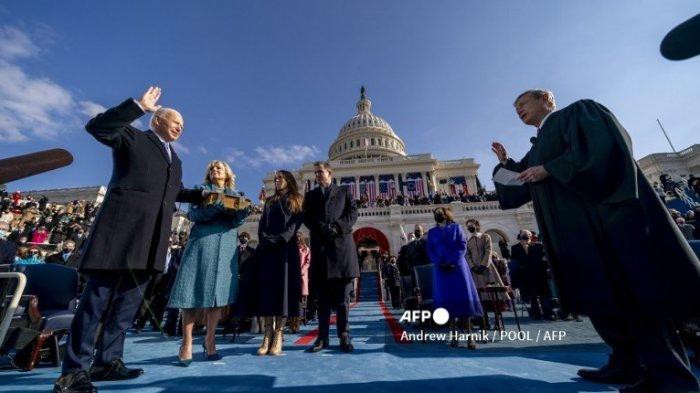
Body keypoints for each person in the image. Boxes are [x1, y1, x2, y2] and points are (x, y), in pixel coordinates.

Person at [491, 89, 700, 392]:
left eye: (523, 102)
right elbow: (518, 186)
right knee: (602, 299)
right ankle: (626, 362)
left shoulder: (579, 113)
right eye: (515, 107)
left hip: (607, 225)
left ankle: (671, 377)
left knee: (635, 297)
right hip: (574, 236)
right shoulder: (535, 149)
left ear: (546, 99)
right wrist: (506, 163)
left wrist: (551, 168)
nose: (518, 109)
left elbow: (609, 149)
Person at [54, 87, 205, 393]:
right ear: (156, 120)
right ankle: (73, 372)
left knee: (126, 308)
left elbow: (173, 194)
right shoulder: (132, 138)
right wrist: (138, 106)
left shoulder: (174, 161)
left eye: (183, 125)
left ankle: (108, 362)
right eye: (175, 120)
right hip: (119, 237)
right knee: (94, 305)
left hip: (150, 243)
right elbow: (97, 126)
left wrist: (203, 195)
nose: (180, 127)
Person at [168, 160, 250, 365]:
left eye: (219, 168)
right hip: (202, 243)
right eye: (212, 168)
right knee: (191, 292)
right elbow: (193, 214)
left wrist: (242, 213)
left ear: (227, 174)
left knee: (217, 295)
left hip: (225, 246)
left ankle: (210, 340)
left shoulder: (236, 194)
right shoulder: (201, 191)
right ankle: (186, 343)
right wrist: (212, 208)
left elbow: (236, 222)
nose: (215, 170)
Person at [303, 161, 359, 353]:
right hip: (320, 251)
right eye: (315, 172)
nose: (317, 174)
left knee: (343, 300)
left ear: (329, 173)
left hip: (341, 250)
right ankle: (322, 337)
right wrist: (320, 228)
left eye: (321, 171)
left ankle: (344, 336)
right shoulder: (310, 196)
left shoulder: (344, 191)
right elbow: (307, 217)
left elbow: (352, 214)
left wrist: (336, 227)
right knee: (323, 301)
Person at [250, 170, 303, 356]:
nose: (277, 180)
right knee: (267, 291)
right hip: (267, 250)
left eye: (280, 178)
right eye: (275, 178)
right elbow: (262, 225)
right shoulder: (270, 201)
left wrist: (280, 240)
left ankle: (279, 333)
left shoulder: (296, 199)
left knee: (282, 292)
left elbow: (294, 225)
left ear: (288, 180)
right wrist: (265, 239)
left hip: (285, 250)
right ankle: (267, 333)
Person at [426, 207, 483, 349]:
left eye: (440, 213)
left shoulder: (457, 227)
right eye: (436, 214)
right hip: (441, 270)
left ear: (447, 215)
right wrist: (440, 262)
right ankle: (453, 335)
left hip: (458, 267)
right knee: (447, 301)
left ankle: (470, 336)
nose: (438, 216)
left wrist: (452, 261)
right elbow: (430, 250)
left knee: (464, 299)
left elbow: (462, 245)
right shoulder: (432, 232)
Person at [465, 218, 509, 326]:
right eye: (467, 225)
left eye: (471, 224)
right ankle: (484, 320)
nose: (469, 227)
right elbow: (467, 254)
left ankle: (497, 319)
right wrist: (473, 266)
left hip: (488, 269)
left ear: (476, 225)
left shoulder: (485, 236)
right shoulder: (468, 240)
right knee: (480, 296)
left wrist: (483, 265)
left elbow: (489, 251)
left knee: (494, 295)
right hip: (475, 271)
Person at [509, 230, 555, 320]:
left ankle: (548, 313)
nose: (527, 237)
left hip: (540, 274)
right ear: (520, 236)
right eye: (525, 235)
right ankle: (536, 313)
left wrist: (546, 269)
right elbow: (514, 261)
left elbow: (544, 259)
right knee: (532, 296)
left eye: (529, 235)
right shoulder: (515, 248)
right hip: (526, 275)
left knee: (544, 294)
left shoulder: (538, 246)